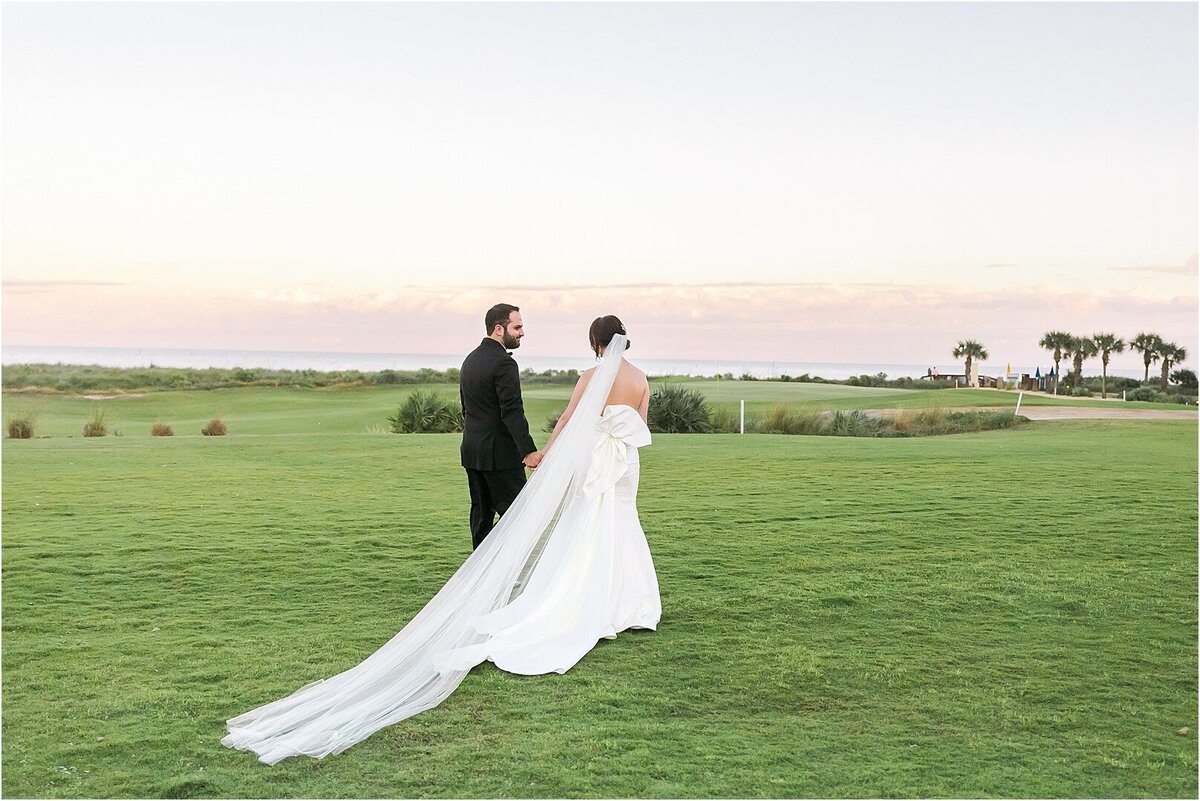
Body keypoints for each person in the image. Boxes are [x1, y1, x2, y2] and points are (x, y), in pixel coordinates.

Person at [222, 317, 660, 765]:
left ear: (594, 342)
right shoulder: (642, 379)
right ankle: (625, 605)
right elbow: (641, 428)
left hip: (586, 462)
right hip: (623, 466)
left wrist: (547, 453)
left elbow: (569, 419)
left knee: (586, 526)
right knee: (622, 523)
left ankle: (580, 598)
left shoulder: (585, 377)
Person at [459, 303, 541, 549]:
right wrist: (528, 451)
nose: (522, 333)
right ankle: (502, 574)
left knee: (481, 516)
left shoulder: (470, 360)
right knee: (519, 515)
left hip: (472, 451)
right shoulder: (504, 364)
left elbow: (466, 409)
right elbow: (512, 411)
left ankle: (480, 577)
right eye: (517, 327)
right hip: (500, 456)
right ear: (498, 328)